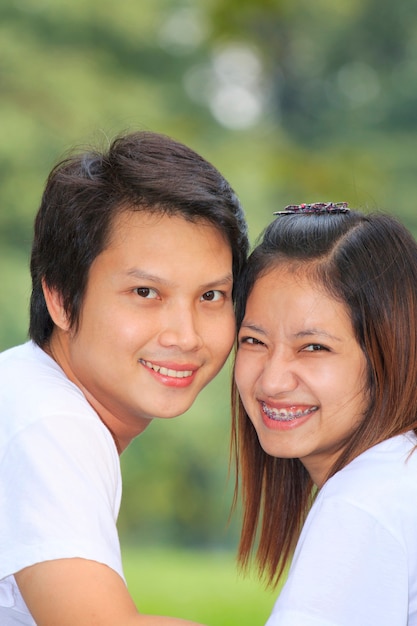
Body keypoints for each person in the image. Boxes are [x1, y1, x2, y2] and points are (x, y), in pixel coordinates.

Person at [0, 130, 248, 626]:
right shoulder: (47, 421)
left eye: (211, 296)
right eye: (144, 292)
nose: (185, 336)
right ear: (61, 299)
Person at [232, 202, 417, 625]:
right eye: (254, 341)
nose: (272, 381)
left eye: (314, 347)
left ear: (390, 353)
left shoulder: (364, 502)